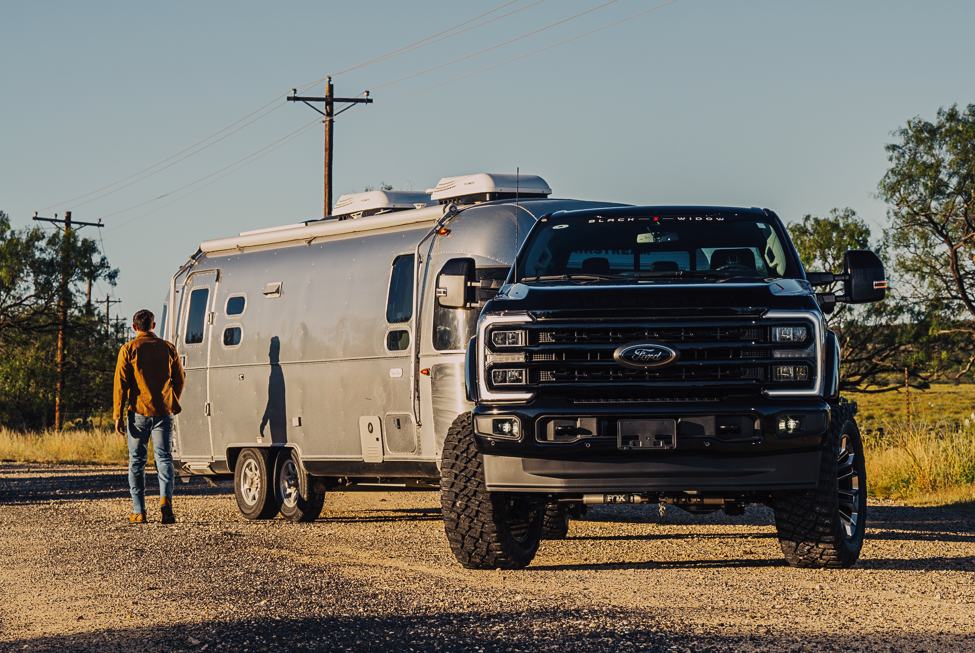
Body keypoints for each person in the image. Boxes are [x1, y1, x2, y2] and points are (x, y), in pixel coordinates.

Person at [113, 309, 185, 524]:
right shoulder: (168, 348)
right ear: (153, 325)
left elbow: (120, 385)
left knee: (137, 462)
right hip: (163, 412)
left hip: (137, 413)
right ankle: (165, 499)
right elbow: (179, 380)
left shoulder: (128, 349)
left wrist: (117, 413)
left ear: (135, 328)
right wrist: (171, 401)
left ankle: (139, 510)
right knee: (164, 458)